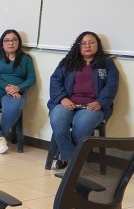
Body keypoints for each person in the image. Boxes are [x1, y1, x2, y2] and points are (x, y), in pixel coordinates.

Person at [47, 31, 119, 170]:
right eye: (83, 43)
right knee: (57, 120)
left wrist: (101, 102)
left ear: (97, 45)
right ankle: (72, 159)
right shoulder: (68, 61)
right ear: (78, 46)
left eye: (92, 42)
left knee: (81, 126)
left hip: (92, 105)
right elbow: (55, 80)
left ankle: (65, 156)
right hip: (68, 102)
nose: (88, 46)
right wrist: (62, 98)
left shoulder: (106, 63)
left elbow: (112, 85)